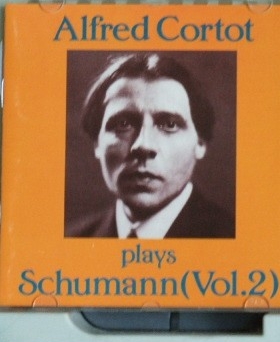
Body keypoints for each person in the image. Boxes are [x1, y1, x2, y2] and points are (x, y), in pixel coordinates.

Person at [67, 53, 235, 239]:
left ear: (200, 142)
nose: (143, 145)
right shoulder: (73, 238)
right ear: (97, 143)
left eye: (170, 124)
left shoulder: (235, 239)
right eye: (123, 124)